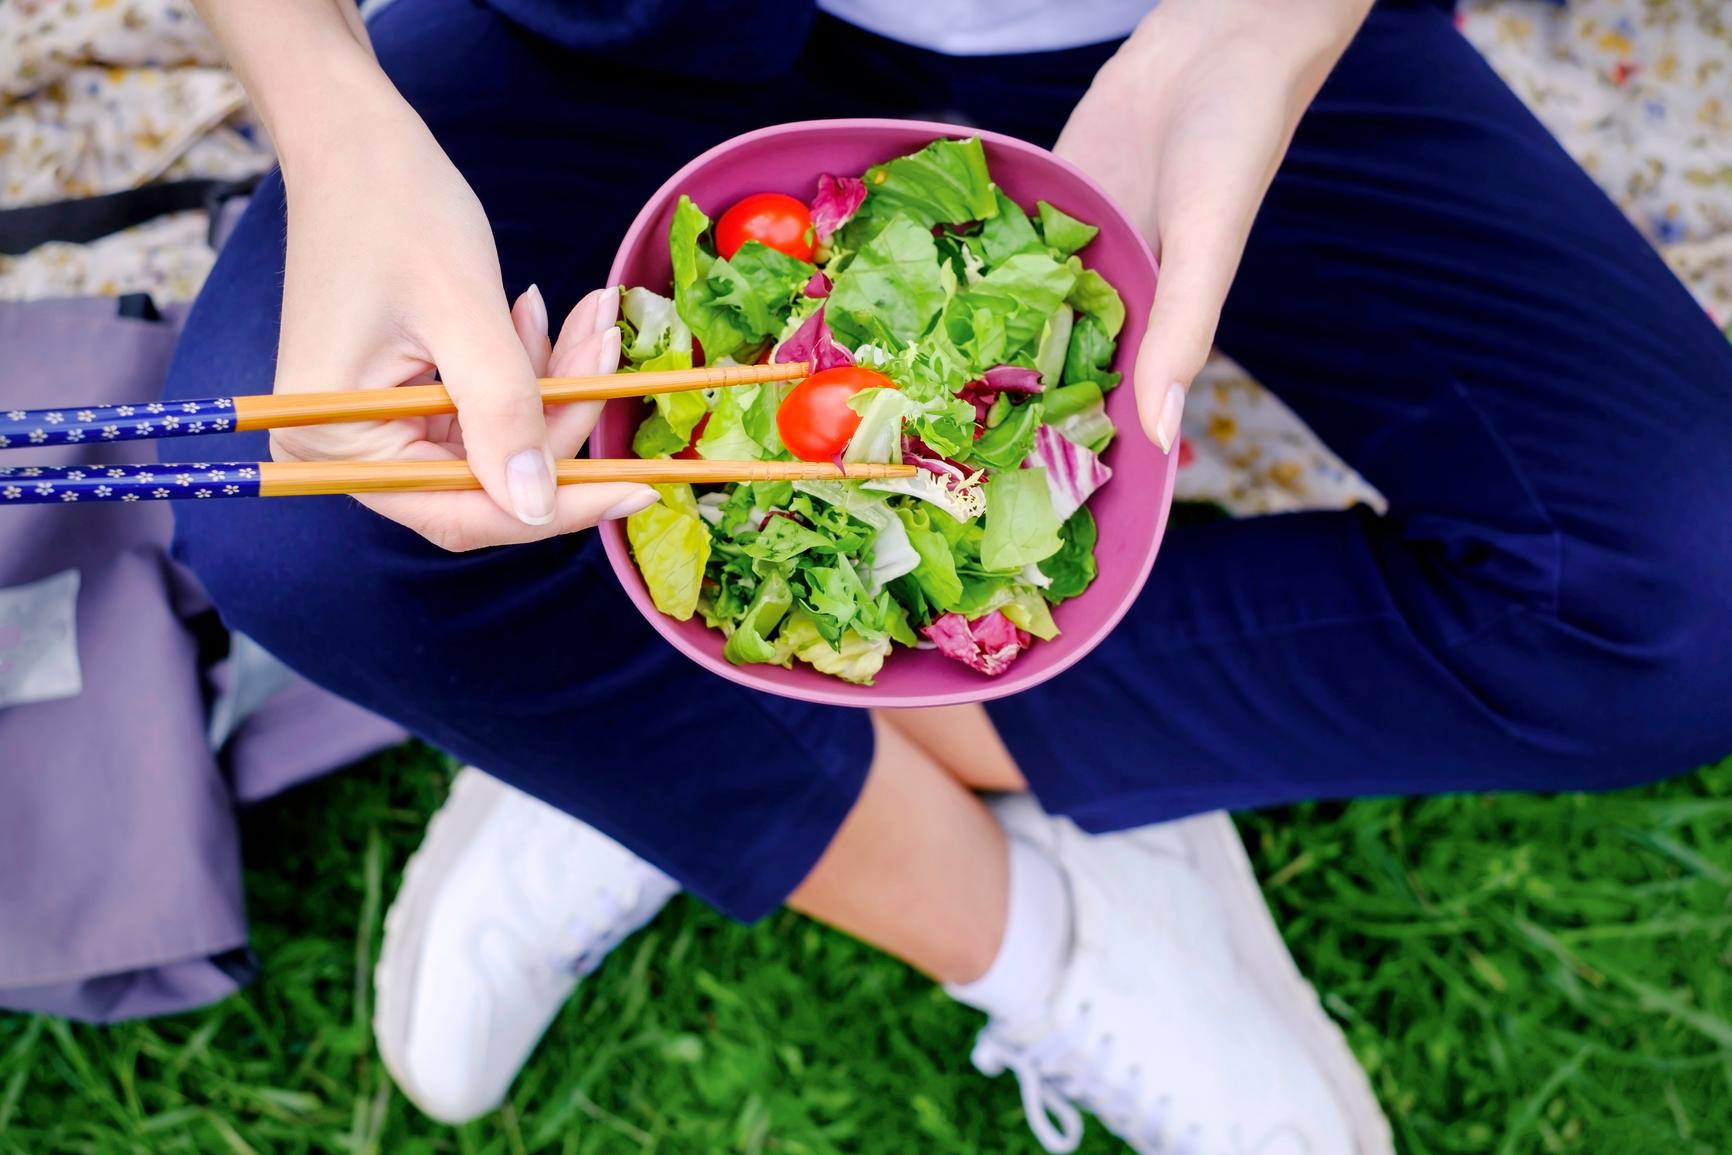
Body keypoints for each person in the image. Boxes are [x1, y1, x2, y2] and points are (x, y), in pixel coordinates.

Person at [167, 0, 1732, 1150]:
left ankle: (641, 730)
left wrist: (1275, 24)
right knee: (304, 518)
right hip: (623, 31)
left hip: (1191, 25)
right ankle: (1042, 935)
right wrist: (324, 97)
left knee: (1681, 604)